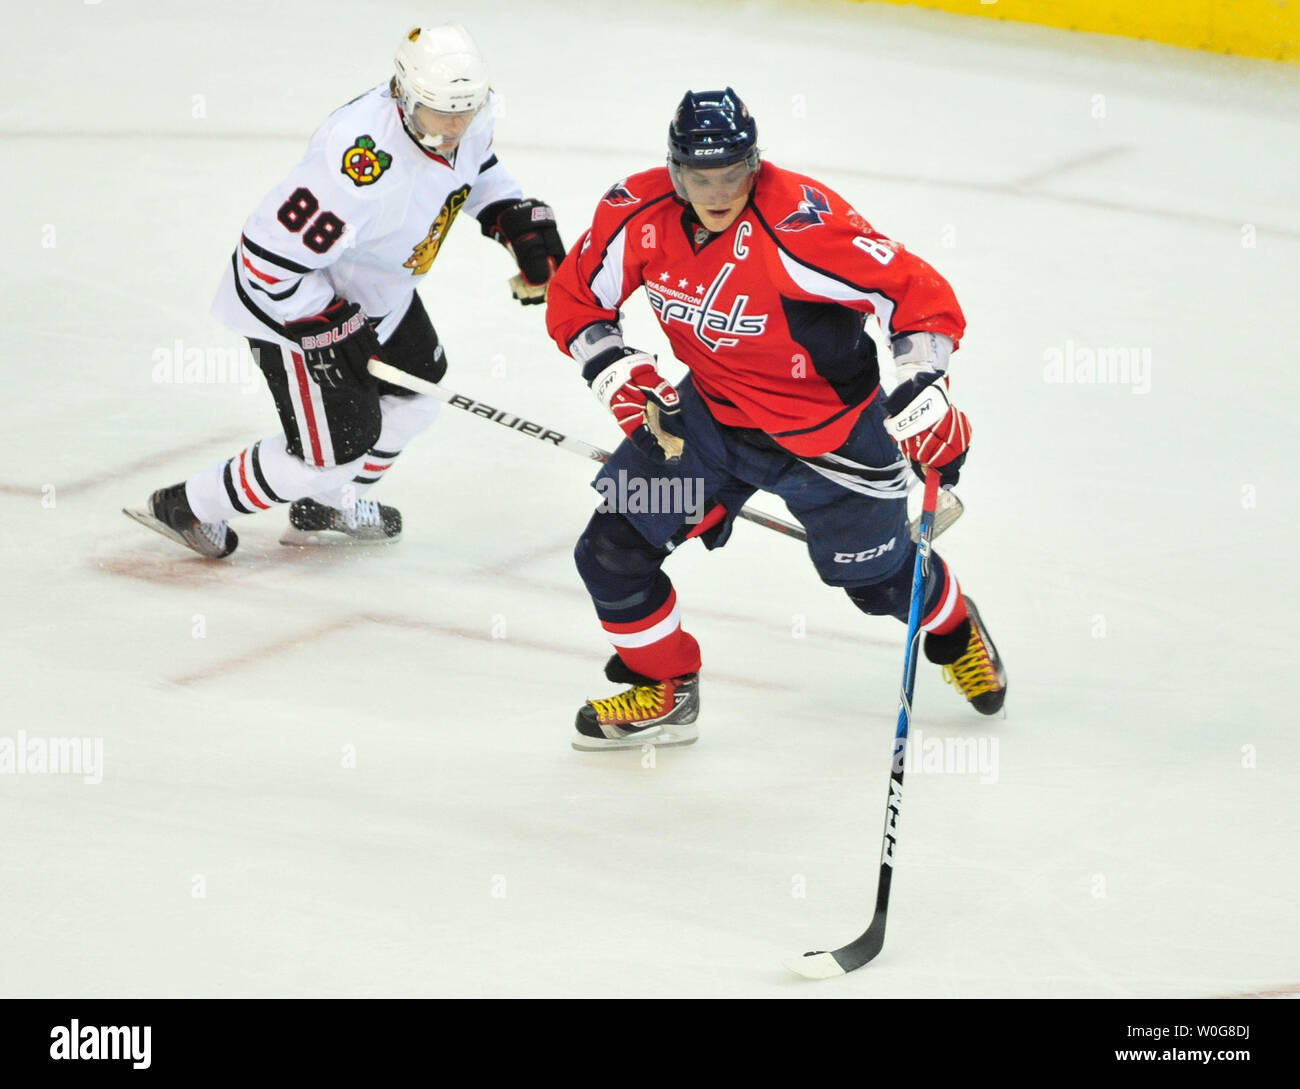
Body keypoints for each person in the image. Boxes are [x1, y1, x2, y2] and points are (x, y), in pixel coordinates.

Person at [546, 88, 1006, 750]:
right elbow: (578, 298)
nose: (718, 189)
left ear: (754, 163)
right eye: (701, 176)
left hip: (834, 442)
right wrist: (623, 377)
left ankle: (955, 625)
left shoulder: (800, 224)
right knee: (612, 550)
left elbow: (913, 292)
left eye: (732, 172)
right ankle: (666, 688)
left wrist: (924, 386)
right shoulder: (637, 214)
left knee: (878, 583)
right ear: (675, 170)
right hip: (703, 426)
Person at [126, 24, 565, 556]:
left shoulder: (462, 115)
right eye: (440, 112)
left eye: (465, 110)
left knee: (416, 396)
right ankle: (190, 505)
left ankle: (329, 503)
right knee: (330, 452)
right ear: (403, 94)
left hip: (381, 291)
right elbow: (267, 265)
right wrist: (328, 325)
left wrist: (507, 212)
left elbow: (473, 168)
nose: (454, 126)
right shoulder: (356, 166)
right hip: (292, 310)